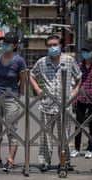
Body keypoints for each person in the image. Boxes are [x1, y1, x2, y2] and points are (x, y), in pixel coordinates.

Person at [30, 35, 82, 171]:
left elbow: (79, 76)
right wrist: (37, 88)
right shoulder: (42, 62)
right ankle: (45, 162)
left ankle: (65, 161)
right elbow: (31, 74)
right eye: (49, 45)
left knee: (64, 135)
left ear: (60, 46)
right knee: (46, 135)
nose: (52, 47)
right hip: (47, 104)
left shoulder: (69, 60)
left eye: (55, 44)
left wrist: (75, 91)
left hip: (65, 104)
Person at [0, 32, 27, 171]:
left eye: (7, 43)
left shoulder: (19, 61)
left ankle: (10, 159)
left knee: (11, 129)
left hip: (12, 98)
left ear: (14, 45)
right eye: (3, 42)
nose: (4, 45)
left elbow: (23, 79)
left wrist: (20, 95)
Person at [70, 45, 92, 159]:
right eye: (84, 52)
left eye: (87, 52)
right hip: (81, 98)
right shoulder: (79, 66)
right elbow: (75, 81)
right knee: (79, 123)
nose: (85, 54)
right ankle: (76, 148)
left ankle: (89, 148)